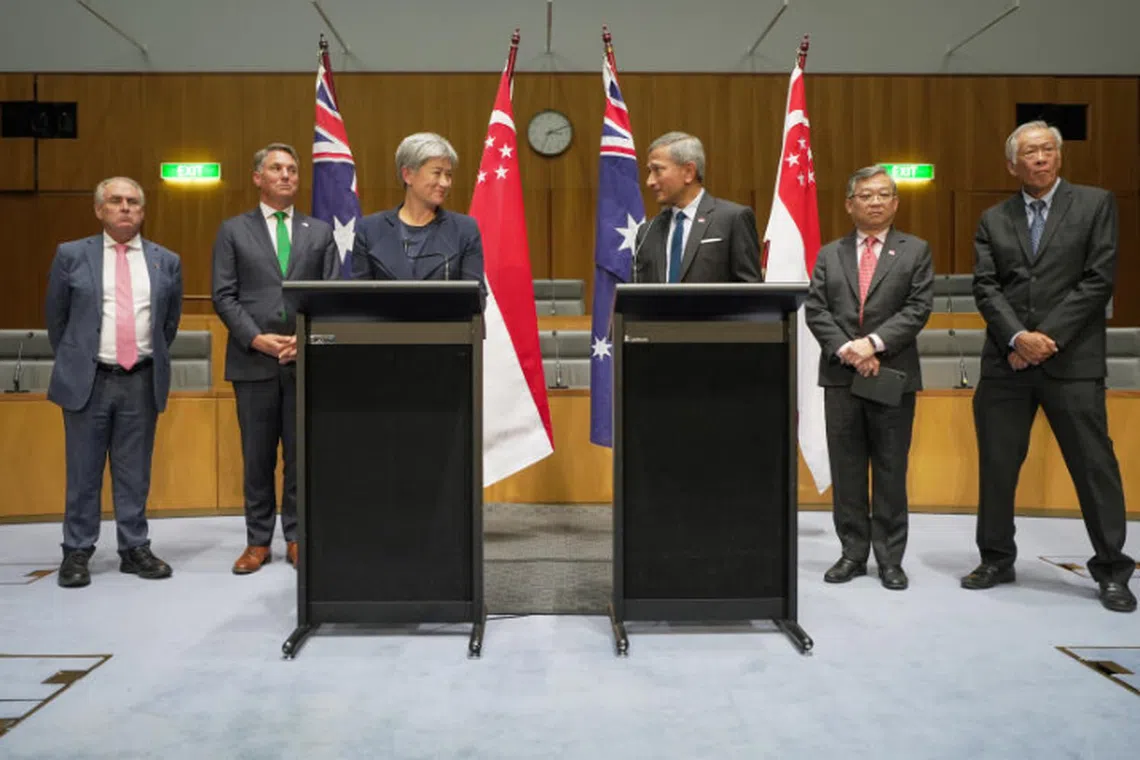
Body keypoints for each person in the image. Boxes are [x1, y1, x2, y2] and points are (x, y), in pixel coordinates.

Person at [964, 120, 1136, 612]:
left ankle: (1111, 570)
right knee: (997, 466)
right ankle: (996, 558)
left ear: (1058, 157)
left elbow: (1097, 279)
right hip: (1007, 363)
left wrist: (1046, 339)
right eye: (1029, 153)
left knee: (1094, 467)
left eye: (1046, 150)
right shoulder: (993, 219)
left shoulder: (1095, 204)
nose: (1039, 159)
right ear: (1012, 165)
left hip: (1073, 361)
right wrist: (1018, 337)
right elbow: (986, 287)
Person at [46, 177, 183, 588]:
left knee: (134, 472)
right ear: (99, 209)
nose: (125, 207)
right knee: (83, 472)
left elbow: (168, 324)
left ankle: (134, 548)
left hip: (139, 379)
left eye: (133, 202)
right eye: (116, 201)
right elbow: (57, 319)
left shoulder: (166, 261)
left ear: (142, 211)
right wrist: (79, 360)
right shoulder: (71, 255)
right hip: (89, 380)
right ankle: (77, 551)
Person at [805, 166, 934, 590]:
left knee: (891, 468)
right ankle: (852, 554)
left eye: (883, 194)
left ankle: (890, 559)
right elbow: (816, 310)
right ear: (849, 204)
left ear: (895, 203)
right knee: (847, 471)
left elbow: (918, 308)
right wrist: (850, 350)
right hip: (841, 375)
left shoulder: (915, 250)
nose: (875, 202)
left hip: (891, 373)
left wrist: (873, 345)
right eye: (865, 195)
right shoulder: (830, 254)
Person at [212, 143, 339, 574]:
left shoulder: (319, 232)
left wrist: (304, 338)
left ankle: (298, 537)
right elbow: (223, 295)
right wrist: (257, 339)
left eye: (292, 169)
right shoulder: (233, 231)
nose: (286, 175)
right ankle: (257, 541)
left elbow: (331, 294)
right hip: (253, 362)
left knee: (301, 457)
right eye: (276, 168)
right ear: (257, 177)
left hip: (305, 361)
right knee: (257, 458)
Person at [350, 132, 483, 283]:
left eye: (449, 175)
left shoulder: (464, 229)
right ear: (407, 175)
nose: (445, 183)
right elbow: (359, 293)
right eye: (437, 173)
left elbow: (475, 292)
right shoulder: (370, 229)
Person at [632, 131, 762, 284]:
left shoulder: (732, 219)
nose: (649, 182)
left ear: (689, 172)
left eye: (657, 170)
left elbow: (750, 290)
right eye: (649, 172)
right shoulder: (647, 231)